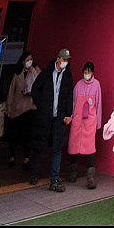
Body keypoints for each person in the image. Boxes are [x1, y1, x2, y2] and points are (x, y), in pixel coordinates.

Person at [28, 49, 73, 192]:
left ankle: (54, 179)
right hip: (44, 116)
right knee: (39, 146)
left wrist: (68, 114)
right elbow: (35, 89)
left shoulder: (67, 76)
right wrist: (41, 106)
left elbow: (69, 95)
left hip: (58, 118)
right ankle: (34, 173)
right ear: (58, 59)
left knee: (57, 147)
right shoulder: (47, 73)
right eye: (64, 59)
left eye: (67, 60)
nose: (66, 62)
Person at [68, 61, 102, 189]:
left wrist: (98, 122)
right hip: (77, 121)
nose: (87, 74)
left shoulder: (96, 85)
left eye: (89, 71)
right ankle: (72, 172)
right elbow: (73, 103)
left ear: (93, 72)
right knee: (73, 146)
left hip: (90, 122)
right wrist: (70, 117)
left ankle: (90, 177)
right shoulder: (78, 85)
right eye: (85, 71)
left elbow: (98, 104)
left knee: (90, 148)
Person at [5, 50, 40, 170]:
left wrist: (33, 72)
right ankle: (11, 157)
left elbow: (40, 85)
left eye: (31, 59)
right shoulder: (18, 74)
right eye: (27, 59)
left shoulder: (36, 70)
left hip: (30, 108)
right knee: (14, 134)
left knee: (28, 135)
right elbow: (11, 91)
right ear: (23, 61)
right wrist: (8, 108)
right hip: (17, 108)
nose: (29, 61)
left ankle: (26, 158)